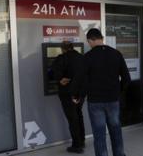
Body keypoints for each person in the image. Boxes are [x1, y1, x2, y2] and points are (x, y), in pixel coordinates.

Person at [74, 28, 130, 156]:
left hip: (95, 102)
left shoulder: (87, 57)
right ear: (102, 38)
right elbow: (127, 79)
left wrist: (76, 95)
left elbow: (80, 79)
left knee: (99, 135)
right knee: (116, 131)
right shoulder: (116, 54)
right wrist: (118, 91)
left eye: (89, 42)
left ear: (90, 40)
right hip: (113, 100)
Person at [51, 41, 86, 153]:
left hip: (67, 93)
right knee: (79, 114)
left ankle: (77, 145)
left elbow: (53, 73)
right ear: (72, 47)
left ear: (63, 49)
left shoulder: (61, 58)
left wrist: (61, 79)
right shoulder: (82, 58)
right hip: (80, 93)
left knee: (72, 118)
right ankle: (82, 140)